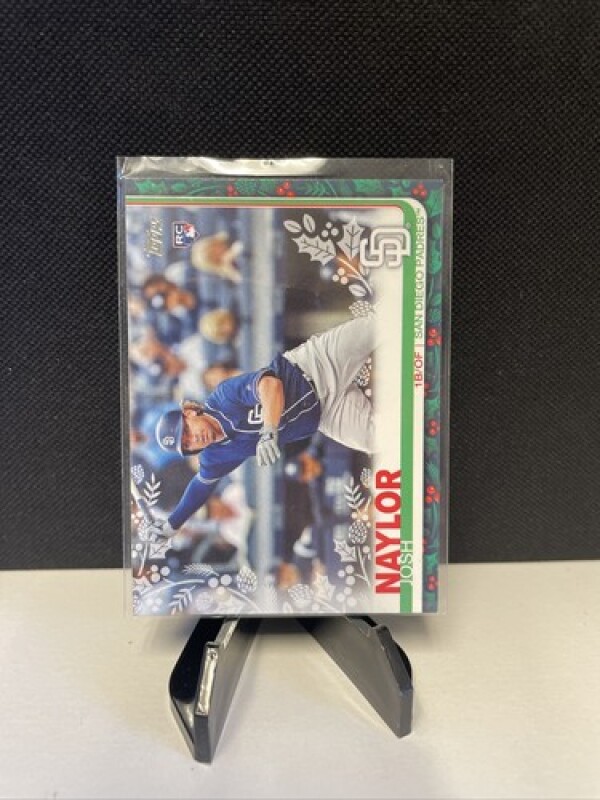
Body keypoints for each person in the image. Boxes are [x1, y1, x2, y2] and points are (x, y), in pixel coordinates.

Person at [147, 314, 379, 539]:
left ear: (189, 413)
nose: (193, 439)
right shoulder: (214, 456)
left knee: (380, 325)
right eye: (186, 444)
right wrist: (173, 523)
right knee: (379, 440)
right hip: (326, 414)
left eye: (187, 431)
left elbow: (270, 385)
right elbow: (199, 487)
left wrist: (269, 430)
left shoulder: (223, 398)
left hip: (316, 365)